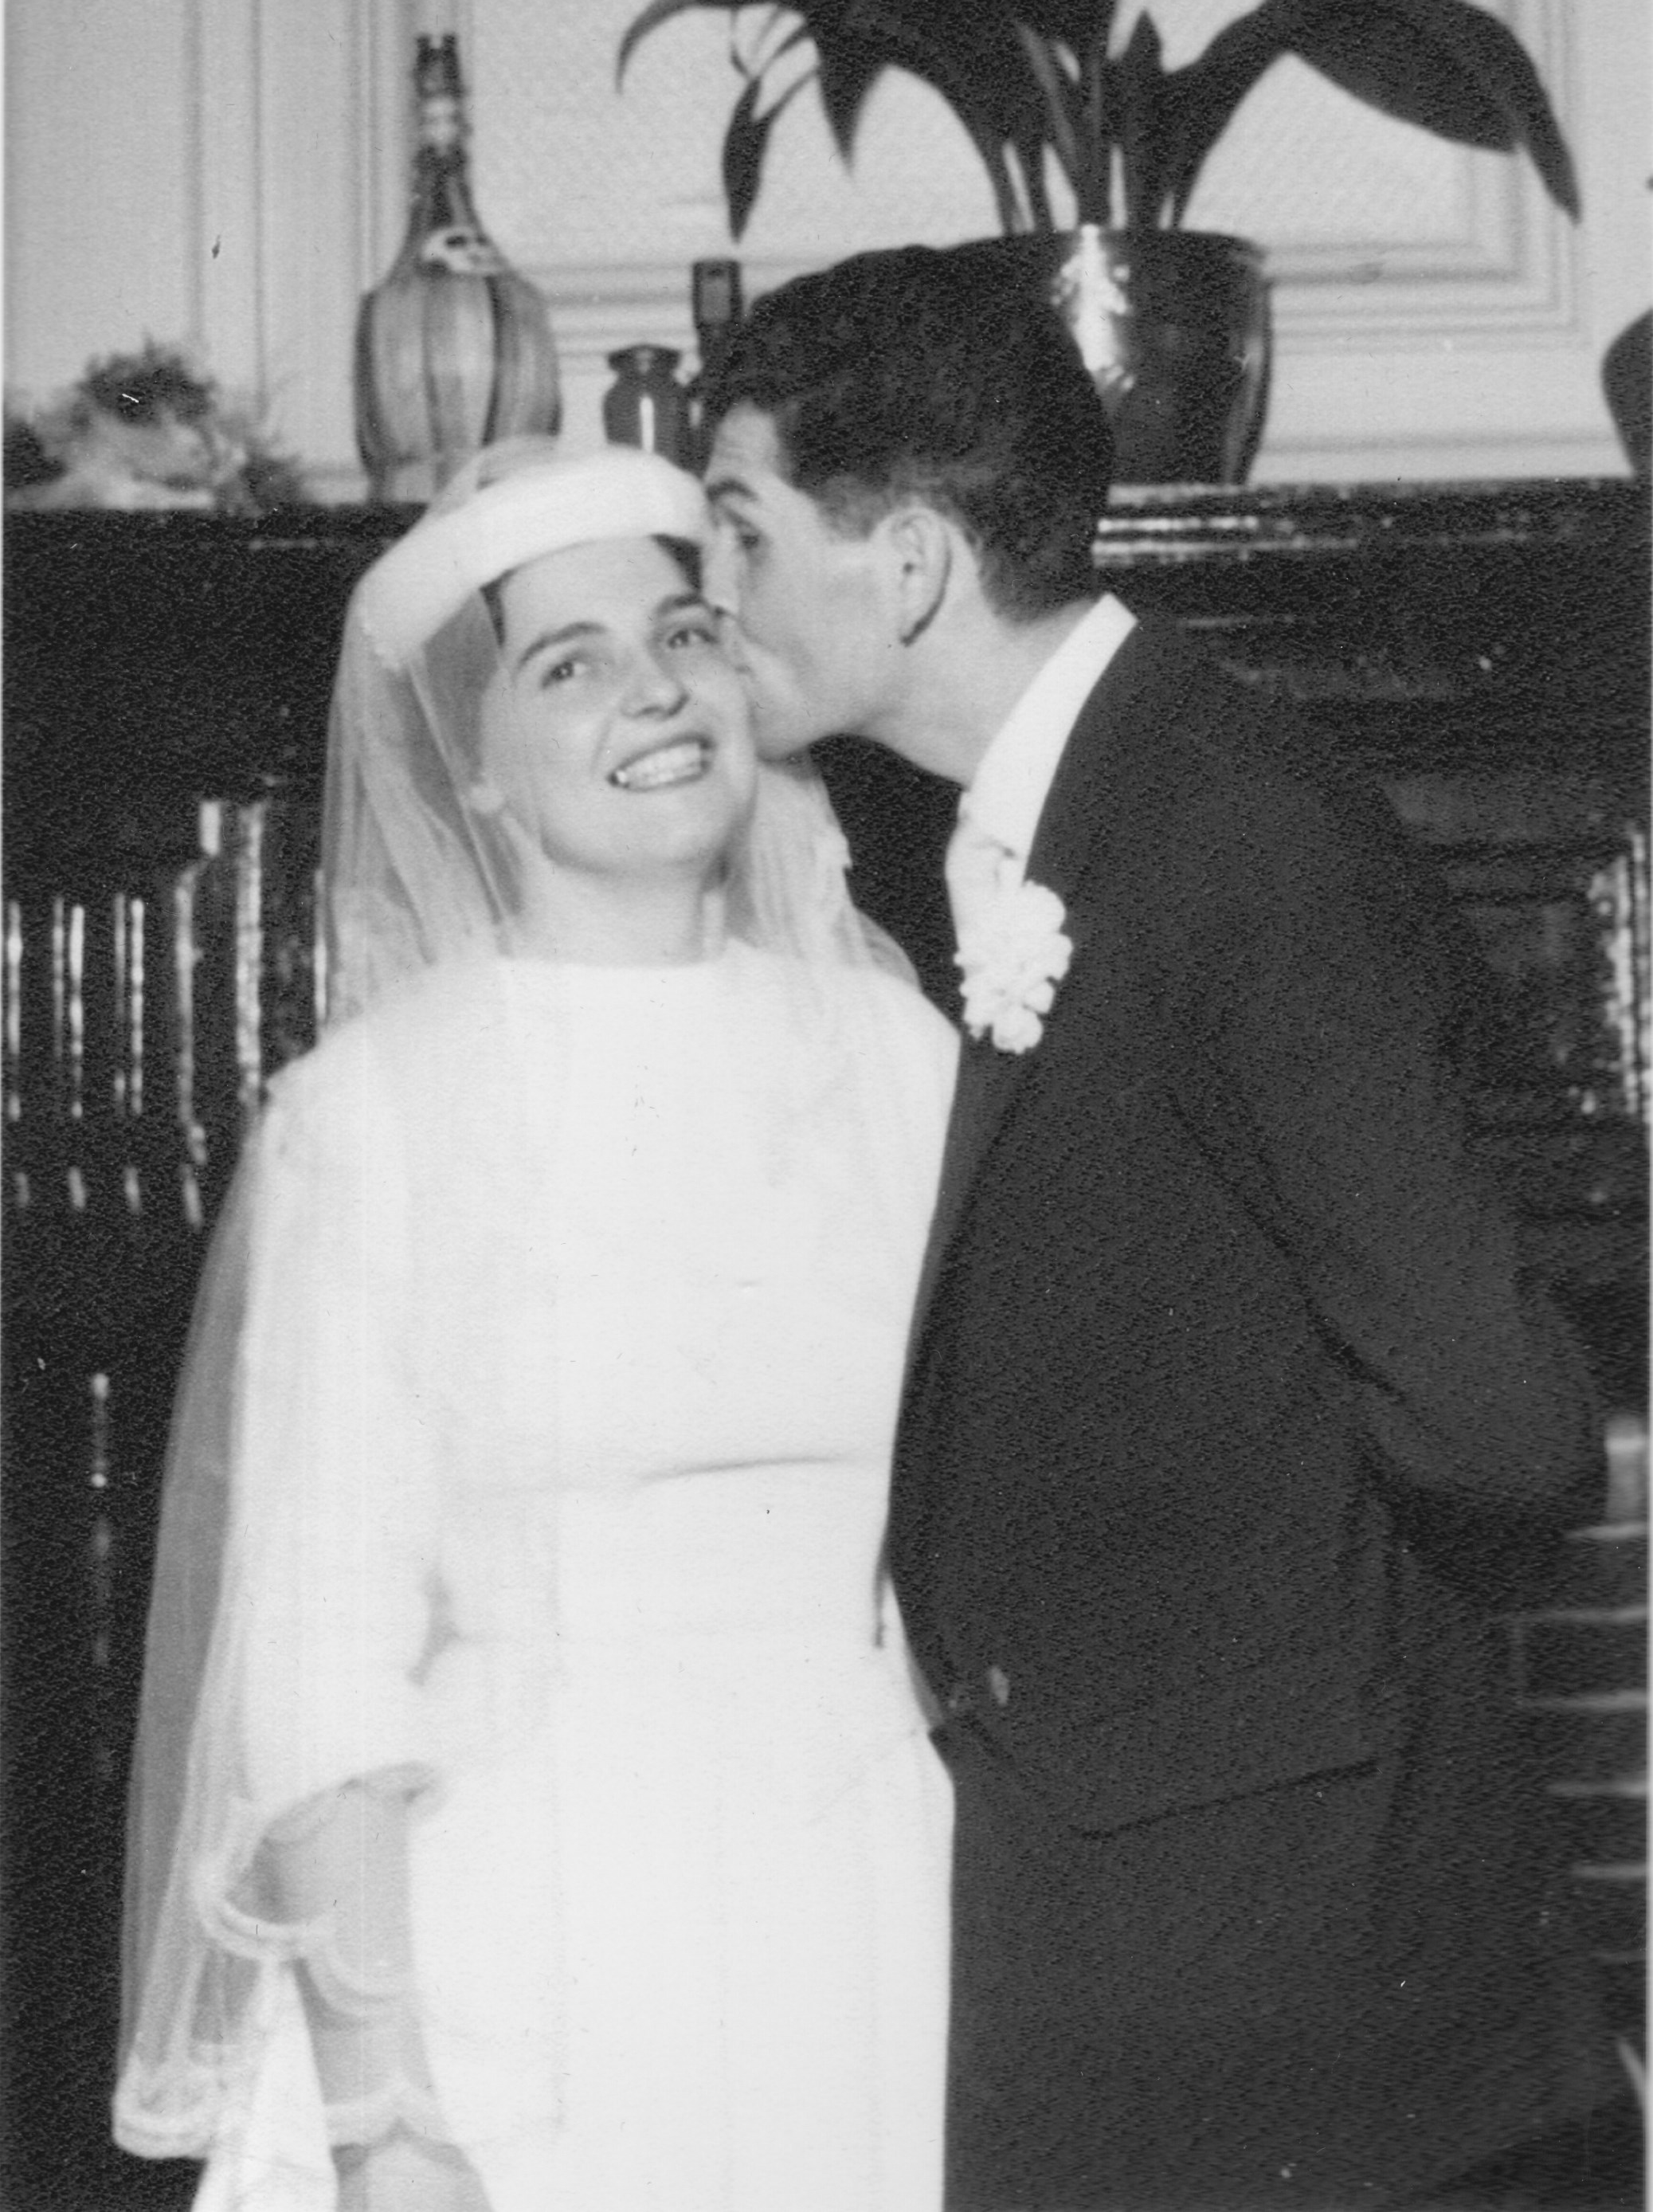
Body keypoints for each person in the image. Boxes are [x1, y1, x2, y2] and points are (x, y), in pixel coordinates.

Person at [699, 245, 1628, 2210]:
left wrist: (1270, 1666)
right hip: (1145, 1927)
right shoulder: (1046, 814)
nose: (715, 594)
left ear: (909, 561)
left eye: (743, 530)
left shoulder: (1237, 831)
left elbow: (1504, 1429)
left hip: (1310, 1973)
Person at [112, 441, 958, 2210]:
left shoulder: (902, 1062)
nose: (656, 689)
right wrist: (389, 2125)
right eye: (570, 664)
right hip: (531, 1957)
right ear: (475, 765)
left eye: (685, 634)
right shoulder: (379, 1112)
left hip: (870, 1917)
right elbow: (318, 1667)